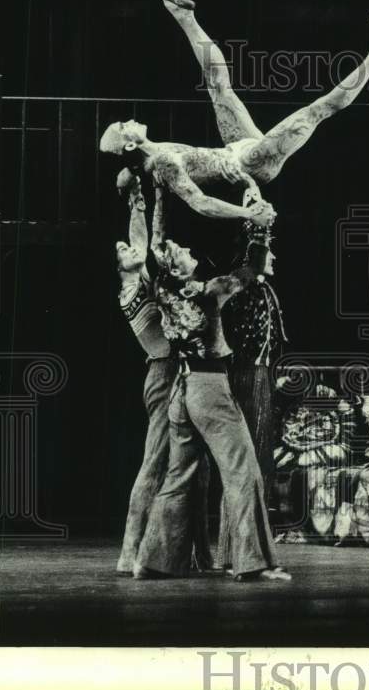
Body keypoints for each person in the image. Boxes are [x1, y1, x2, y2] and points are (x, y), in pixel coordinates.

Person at [99, 0, 369, 220]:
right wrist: (248, 213)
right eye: (124, 126)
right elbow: (200, 203)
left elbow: (159, 220)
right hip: (253, 163)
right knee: (316, 111)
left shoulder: (156, 160)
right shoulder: (161, 163)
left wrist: (154, 239)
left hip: (236, 148)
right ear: (129, 144)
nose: (130, 120)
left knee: (218, 87)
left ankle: (184, 16)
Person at [132, 186, 289, 582]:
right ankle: (256, 563)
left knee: (178, 476)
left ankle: (151, 561)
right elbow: (251, 270)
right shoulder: (208, 293)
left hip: (181, 393)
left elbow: (156, 243)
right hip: (209, 390)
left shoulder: (163, 290)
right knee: (243, 472)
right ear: (181, 269)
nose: (186, 250)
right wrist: (260, 227)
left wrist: (159, 196)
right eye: (183, 253)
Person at [113, 175, 212, 574]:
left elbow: (140, 242)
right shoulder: (130, 291)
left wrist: (139, 198)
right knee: (155, 462)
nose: (127, 249)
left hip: (182, 372)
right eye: (121, 251)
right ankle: (129, 550)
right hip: (164, 373)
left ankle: (200, 553)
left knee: (197, 466)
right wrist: (140, 202)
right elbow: (138, 250)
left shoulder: (144, 282)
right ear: (120, 266)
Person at [216, 216, 289, 566]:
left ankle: (250, 547)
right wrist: (256, 225)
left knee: (260, 461)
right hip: (243, 376)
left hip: (260, 377)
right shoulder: (244, 287)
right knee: (245, 463)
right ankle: (237, 549)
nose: (273, 258)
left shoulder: (261, 289)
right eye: (268, 252)